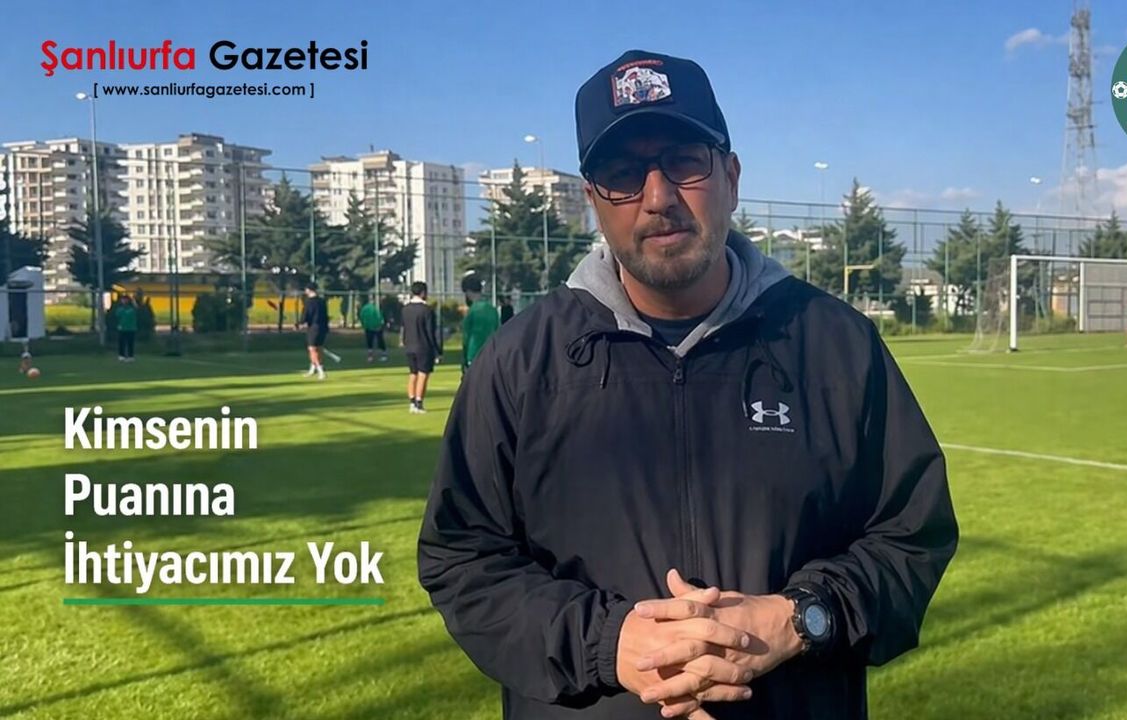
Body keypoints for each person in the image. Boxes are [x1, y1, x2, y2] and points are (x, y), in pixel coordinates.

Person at [419, 50, 958, 720]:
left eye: (683, 161)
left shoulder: (835, 345)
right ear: (593, 200)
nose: (658, 197)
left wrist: (802, 617)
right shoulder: (521, 362)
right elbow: (463, 558)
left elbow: (912, 532)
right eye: (623, 174)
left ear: (730, 176)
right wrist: (607, 643)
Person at [401, 281, 441, 414]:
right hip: (423, 346)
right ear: (423, 293)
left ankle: (412, 402)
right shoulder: (427, 310)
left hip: (409, 345)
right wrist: (437, 350)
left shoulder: (405, 309)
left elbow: (404, 328)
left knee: (413, 374)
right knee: (423, 374)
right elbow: (431, 332)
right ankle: (419, 403)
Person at [460, 274, 500, 374]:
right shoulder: (493, 310)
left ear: (468, 292)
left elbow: (466, 338)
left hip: (473, 354)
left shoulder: (472, 311)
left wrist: (464, 360)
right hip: (491, 354)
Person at [301, 282, 331, 380]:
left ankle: (320, 371)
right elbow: (325, 315)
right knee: (319, 348)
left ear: (309, 290)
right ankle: (312, 369)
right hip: (323, 327)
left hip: (314, 328)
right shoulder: (322, 301)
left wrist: (300, 323)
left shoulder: (309, 302)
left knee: (312, 349)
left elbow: (306, 314)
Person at [360, 295, 389, 363]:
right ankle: (381, 355)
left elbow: (361, 317)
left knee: (371, 342)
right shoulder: (375, 307)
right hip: (375, 327)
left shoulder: (367, 308)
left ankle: (372, 356)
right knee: (378, 341)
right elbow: (381, 317)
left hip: (372, 327)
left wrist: (364, 325)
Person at [115, 295, 138, 363]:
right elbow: (117, 317)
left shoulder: (132, 309)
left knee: (130, 343)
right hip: (122, 329)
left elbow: (137, 308)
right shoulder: (120, 309)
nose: (124, 301)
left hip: (131, 328)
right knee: (121, 343)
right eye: (123, 300)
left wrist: (133, 301)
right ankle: (121, 356)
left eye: (126, 299)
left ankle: (131, 356)